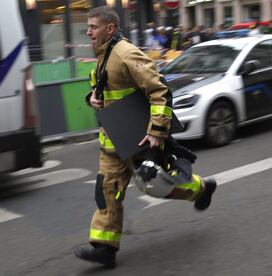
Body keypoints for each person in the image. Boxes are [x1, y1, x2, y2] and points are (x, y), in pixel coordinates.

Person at [74, 6, 217, 268]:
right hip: (111, 144)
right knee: (107, 193)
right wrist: (92, 98)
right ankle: (104, 248)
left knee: (159, 187)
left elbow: (159, 90)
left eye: (93, 27)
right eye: (88, 27)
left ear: (110, 28)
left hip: (136, 142)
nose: (88, 32)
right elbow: (104, 90)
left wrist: (157, 131)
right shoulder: (103, 54)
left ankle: (202, 188)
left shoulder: (126, 54)